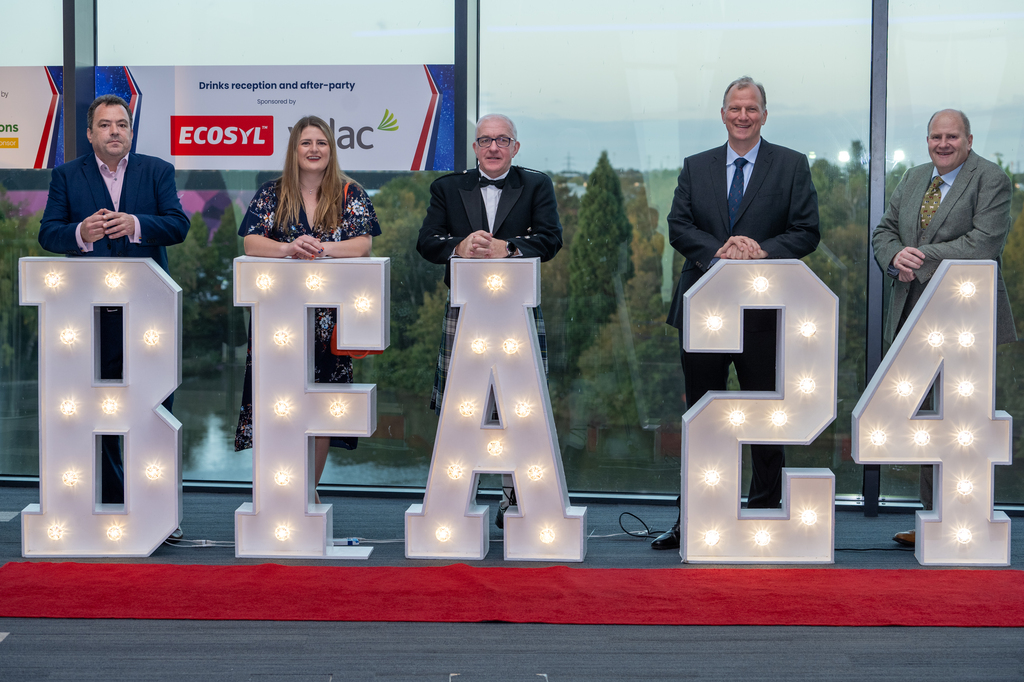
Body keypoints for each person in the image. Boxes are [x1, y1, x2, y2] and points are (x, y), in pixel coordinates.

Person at [654, 76, 821, 550]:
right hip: (703, 309)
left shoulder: (791, 165)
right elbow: (678, 226)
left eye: (751, 109)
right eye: (735, 108)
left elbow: (807, 230)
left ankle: (765, 515)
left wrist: (759, 251)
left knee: (767, 418)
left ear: (764, 115)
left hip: (764, 313)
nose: (742, 116)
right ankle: (694, 520)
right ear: (723, 114)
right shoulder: (696, 166)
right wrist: (722, 250)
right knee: (701, 417)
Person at [39, 94, 190, 541]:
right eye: (105, 125)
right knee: (98, 413)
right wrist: (79, 233)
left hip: (149, 316)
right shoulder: (67, 176)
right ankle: (115, 503)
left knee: (155, 413)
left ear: (131, 131)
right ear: (90, 134)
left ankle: (159, 513)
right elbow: (48, 233)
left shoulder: (157, 171)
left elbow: (178, 225)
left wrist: (137, 225)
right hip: (89, 318)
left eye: (121, 124)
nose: (114, 132)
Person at [872, 109, 1016, 547]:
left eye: (952, 136)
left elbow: (984, 242)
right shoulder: (913, 177)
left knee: (963, 421)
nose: (943, 144)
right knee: (929, 421)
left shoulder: (991, 179)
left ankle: (965, 523)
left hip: (965, 317)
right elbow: (884, 232)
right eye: (936, 136)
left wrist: (917, 256)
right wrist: (894, 256)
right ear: (927, 141)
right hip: (911, 315)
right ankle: (935, 519)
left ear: (969, 140)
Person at [416, 113, 562, 527]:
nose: (493, 147)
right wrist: (459, 246)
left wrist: (509, 248)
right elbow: (426, 242)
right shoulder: (447, 187)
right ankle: (455, 502)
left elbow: (551, 239)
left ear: (516, 147)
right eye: (485, 140)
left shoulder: (537, 185)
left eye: (502, 140)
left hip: (519, 310)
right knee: (462, 405)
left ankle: (516, 498)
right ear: (475, 147)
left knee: (521, 406)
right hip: (464, 311)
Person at [233, 115, 380, 504]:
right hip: (278, 322)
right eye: (306, 143)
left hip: (330, 322)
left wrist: (317, 247)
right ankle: (277, 497)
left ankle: (306, 494)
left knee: (322, 409)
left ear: (331, 149)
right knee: (275, 406)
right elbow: (251, 243)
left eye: (321, 142)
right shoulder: (272, 192)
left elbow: (362, 245)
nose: (314, 149)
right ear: (294, 150)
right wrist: (288, 248)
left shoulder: (350, 193)